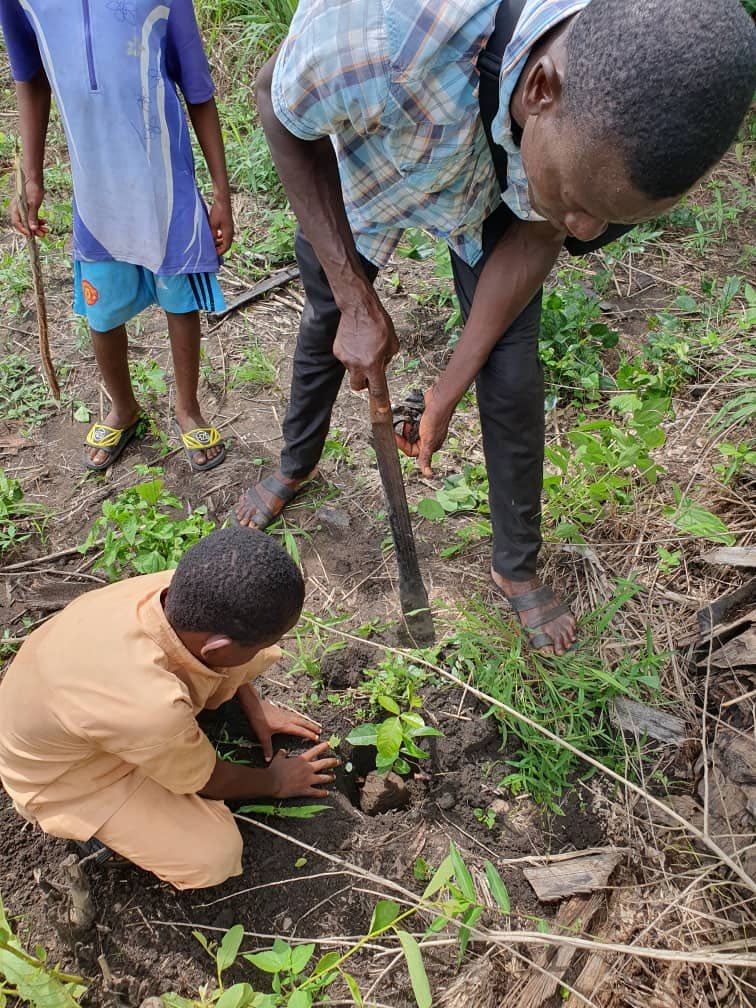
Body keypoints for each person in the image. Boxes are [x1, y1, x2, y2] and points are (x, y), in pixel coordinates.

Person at [233, 0, 756, 654]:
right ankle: (295, 464)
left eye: (606, 217)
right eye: (579, 200)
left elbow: (542, 229)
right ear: (541, 89)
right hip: (375, 149)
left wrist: (447, 389)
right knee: (330, 321)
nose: (584, 232)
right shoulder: (380, 36)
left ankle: (515, 566)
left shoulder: (607, 114)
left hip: (494, 185)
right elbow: (276, 106)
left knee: (510, 371)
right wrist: (353, 294)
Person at [0, 527, 337, 890]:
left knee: (245, 659)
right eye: (263, 643)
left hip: (76, 709)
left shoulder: (180, 592)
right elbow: (210, 779)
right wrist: (275, 781)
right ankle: (100, 839)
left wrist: (255, 705)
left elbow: (230, 654)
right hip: (66, 776)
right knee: (213, 855)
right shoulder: (149, 708)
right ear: (217, 647)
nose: (271, 649)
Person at [1, 0, 233, 473]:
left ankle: (187, 407)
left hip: (163, 182)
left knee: (179, 296)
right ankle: (123, 407)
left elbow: (198, 88)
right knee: (100, 306)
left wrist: (221, 191)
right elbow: (30, 77)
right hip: (97, 186)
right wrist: (31, 176)